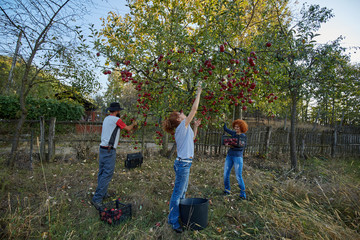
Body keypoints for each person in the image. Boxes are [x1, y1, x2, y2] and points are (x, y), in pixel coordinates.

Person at [162, 84, 202, 233]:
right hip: (183, 164)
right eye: (181, 113)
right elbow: (194, 110)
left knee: (183, 191)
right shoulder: (181, 127)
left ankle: (180, 216)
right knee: (178, 193)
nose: (184, 114)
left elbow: (193, 138)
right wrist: (198, 93)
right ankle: (173, 221)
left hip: (185, 163)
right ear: (179, 118)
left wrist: (196, 126)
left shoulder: (185, 129)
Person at [91, 102, 137, 210]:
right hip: (109, 150)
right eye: (119, 111)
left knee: (102, 172)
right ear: (117, 111)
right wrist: (134, 124)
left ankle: (103, 193)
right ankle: (97, 199)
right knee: (107, 173)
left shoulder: (106, 119)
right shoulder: (116, 120)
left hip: (102, 148)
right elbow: (128, 129)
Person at [223, 119, 248, 200]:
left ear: (242, 127)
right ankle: (227, 190)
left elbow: (241, 147)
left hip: (237, 157)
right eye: (235, 127)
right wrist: (224, 121)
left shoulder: (243, 137)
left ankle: (243, 194)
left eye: (238, 127)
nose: (236, 128)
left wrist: (231, 145)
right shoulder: (233, 133)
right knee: (226, 174)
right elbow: (226, 129)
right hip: (229, 156)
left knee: (238, 176)